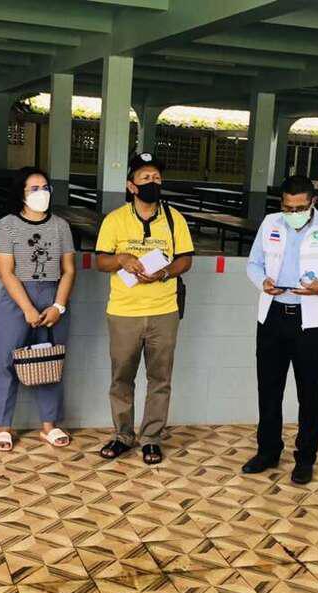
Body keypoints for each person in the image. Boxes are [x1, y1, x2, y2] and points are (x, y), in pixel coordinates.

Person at [242, 175, 318, 485]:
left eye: (300, 208)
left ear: (313, 202)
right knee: (269, 388)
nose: (293, 213)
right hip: (273, 315)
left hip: (310, 320)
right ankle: (268, 451)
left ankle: (305, 458)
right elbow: (253, 264)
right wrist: (262, 282)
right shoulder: (270, 223)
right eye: (288, 208)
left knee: (309, 391)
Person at [94, 152, 194, 465]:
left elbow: (185, 260)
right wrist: (121, 259)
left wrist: (164, 272)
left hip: (164, 311)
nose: (153, 182)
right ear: (131, 186)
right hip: (124, 312)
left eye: (157, 177)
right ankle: (123, 435)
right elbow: (101, 261)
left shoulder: (174, 219)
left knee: (160, 378)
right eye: (145, 177)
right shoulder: (115, 220)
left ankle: (151, 438)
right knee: (121, 377)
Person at [0, 167, 76, 451]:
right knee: (7, 360)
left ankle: (49, 426)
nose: (42, 193)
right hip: (17, 298)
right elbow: (5, 272)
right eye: (34, 189)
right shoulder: (7, 225)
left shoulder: (61, 226)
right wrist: (27, 308)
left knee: (50, 360)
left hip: (52, 296)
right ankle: (3, 426)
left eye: (45, 187)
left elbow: (69, 269)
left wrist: (58, 306)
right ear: (21, 193)